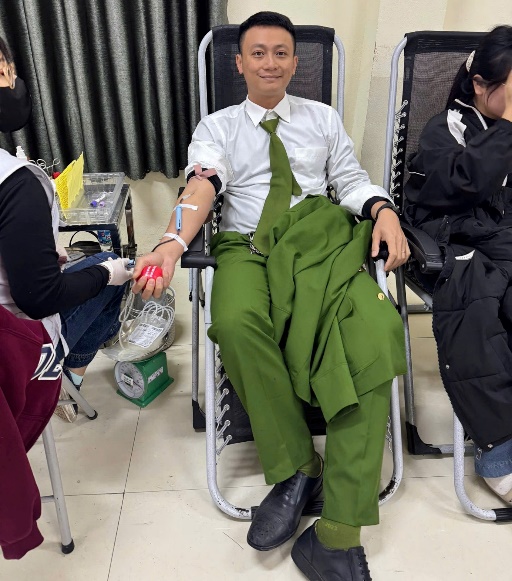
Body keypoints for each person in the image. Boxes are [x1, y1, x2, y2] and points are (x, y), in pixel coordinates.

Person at [134, 12, 408, 581]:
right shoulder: (218, 126)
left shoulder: (322, 118)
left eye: (280, 53)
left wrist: (383, 210)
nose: (270, 63)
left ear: (294, 62)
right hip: (247, 247)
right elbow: (202, 185)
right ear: (239, 64)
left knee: (379, 333)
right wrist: (169, 243)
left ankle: (335, 536)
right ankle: (298, 465)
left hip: (319, 241)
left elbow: (349, 179)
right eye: (257, 53)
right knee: (235, 322)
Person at [404, 26, 512, 504]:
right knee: (477, 301)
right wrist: (507, 128)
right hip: (452, 239)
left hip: (503, 240)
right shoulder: (445, 127)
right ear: (481, 85)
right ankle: (501, 454)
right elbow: (466, 183)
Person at [0, 36, 133, 423]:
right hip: (16, 352)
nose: (13, 82)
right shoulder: (15, 183)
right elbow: (39, 299)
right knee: (110, 271)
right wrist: (107, 273)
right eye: (4, 73)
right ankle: (64, 379)